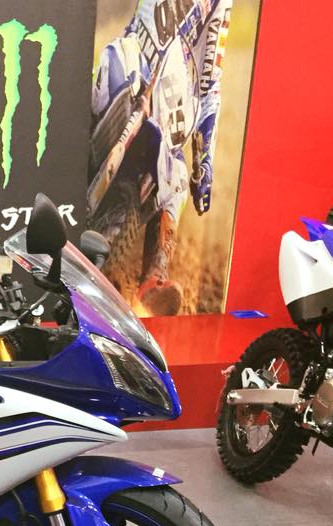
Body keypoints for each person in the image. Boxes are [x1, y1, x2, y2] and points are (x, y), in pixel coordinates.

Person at [91, 0, 231, 315]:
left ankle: (154, 278)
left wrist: (205, 159)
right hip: (130, 61)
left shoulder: (220, 3)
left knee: (177, 173)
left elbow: (210, 83)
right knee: (101, 89)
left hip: (169, 92)